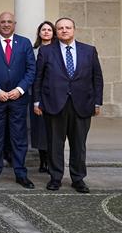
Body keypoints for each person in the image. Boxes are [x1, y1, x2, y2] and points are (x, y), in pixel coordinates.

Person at [34, 17, 103, 193]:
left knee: (79, 144)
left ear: (74, 29)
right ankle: (55, 177)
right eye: (60, 28)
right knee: (55, 143)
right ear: (56, 32)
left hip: (82, 104)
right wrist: (37, 101)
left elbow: (97, 78)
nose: (64, 30)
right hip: (54, 103)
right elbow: (38, 78)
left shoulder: (89, 50)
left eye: (68, 27)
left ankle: (78, 178)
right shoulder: (47, 51)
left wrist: (97, 102)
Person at [0, 11, 36, 188]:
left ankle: (21, 173)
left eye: (9, 22)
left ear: (14, 24)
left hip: (18, 99)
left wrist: (20, 90)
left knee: (19, 138)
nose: (6, 25)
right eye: (2, 22)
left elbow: (31, 70)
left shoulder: (24, 43)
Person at [31, 21, 56, 173]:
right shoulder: (33, 50)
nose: (46, 32)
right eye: (43, 30)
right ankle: (43, 161)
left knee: (52, 129)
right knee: (40, 129)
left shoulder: (57, 50)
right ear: (39, 33)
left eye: (49, 30)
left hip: (53, 95)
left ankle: (52, 159)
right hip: (36, 92)